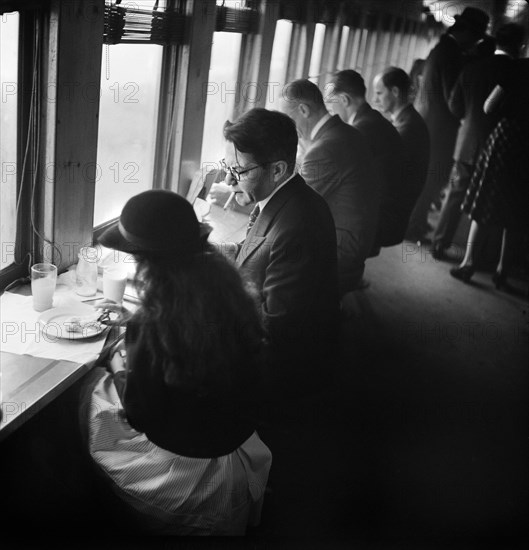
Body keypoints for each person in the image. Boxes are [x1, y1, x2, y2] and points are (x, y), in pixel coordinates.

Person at [81, 190, 272, 535]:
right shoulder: (226, 288)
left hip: (187, 464)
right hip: (232, 436)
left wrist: (118, 362)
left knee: (90, 395)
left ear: (146, 261)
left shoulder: (153, 325)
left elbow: (140, 415)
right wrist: (135, 324)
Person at [221, 107, 340, 398]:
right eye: (227, 168)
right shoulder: (283, 199)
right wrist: (226, 252)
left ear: (277, 170)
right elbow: (265, 253)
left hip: (282, 378)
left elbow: (277, 328)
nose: (228, 181)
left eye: (238, 171)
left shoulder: (298, 225)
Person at [432, 24, 524, 260]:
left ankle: (439, 244)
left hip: (468, 142)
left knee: (455, 194)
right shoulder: (518, 71)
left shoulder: (473, 68)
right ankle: (483, 256)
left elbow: (455, 106)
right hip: (504, 149)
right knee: (492, 202)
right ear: (520, 45)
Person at [279, 78, 381, 294]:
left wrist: (249, 196)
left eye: (288, 119)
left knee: (269, 251)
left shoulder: (324, 149)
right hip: (358, 240)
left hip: (340, 251)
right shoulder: (346, 132)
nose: (288, 128)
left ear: (303, 110)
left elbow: (291, 209)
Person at [407, 6, 490, 244]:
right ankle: (414, 227)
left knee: (427, 178)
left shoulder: (443, 49)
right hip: (439, 129)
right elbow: (453, 99)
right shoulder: (451, 55)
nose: (475, 42)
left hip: (429, 124)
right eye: (475, 37)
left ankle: (416, 223)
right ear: (465, 32)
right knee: (431, 179)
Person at [450, 57, 529, 288]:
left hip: (506, 140)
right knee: (518, 209)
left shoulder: (518, 68)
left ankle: (468, 263)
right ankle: (503, 271)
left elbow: (488, 106)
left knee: (485, 201)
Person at [327, 69, 405, 251]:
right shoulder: (373, 120)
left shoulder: (360, 131)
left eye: (332, 106)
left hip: (379, 217)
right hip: (389, 209)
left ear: (345, 100)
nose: (331, 112)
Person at [372, 66, 430, 246]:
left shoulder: (407, 129)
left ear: (395, 92)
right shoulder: (408, 120)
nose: (375, 99)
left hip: (392, 211)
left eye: (379, 93)